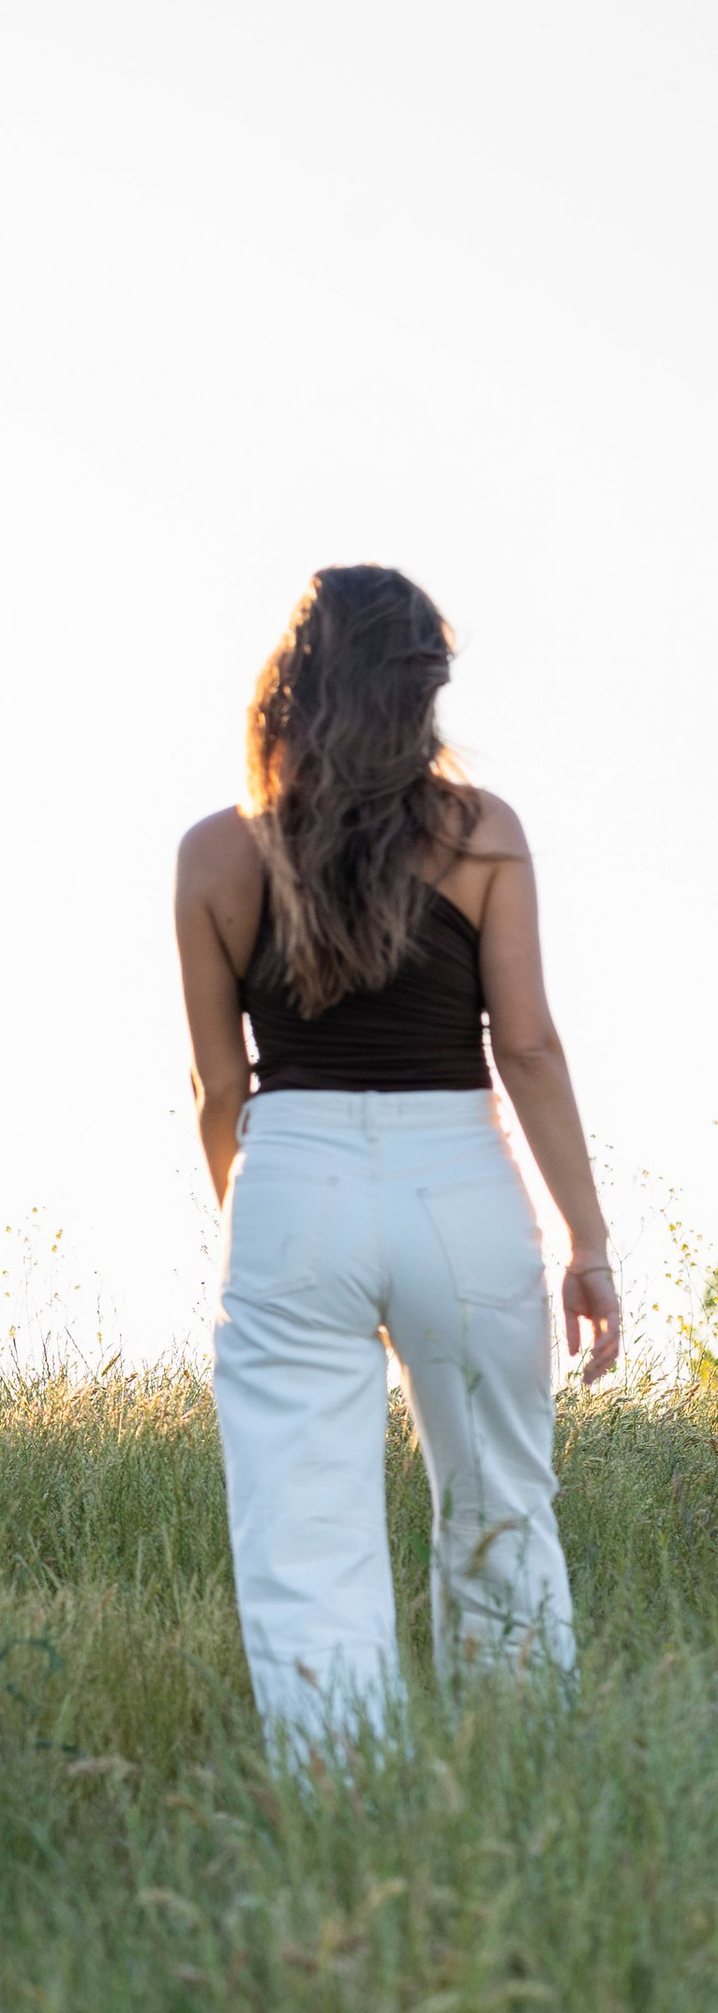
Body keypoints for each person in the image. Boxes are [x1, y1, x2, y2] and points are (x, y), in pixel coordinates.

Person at [174, 566, 620, 1754]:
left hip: (290, 1175)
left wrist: (263, 1231)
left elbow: (220, 1089)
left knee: (303, 1532)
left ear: (293, 684)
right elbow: (524, 1046)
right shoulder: (484, 834)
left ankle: (343, 1812)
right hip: (460, 1185)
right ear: (421, 688)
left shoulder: (216, 852)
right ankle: (519, 1781)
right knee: (501, 1511)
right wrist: (589, 1243)